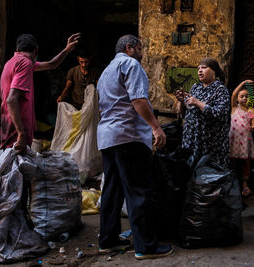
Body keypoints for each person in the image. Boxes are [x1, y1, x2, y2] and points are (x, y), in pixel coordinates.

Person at [97, 35, 173, 260]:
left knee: (112, 190)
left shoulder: (106, 71)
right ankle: (146, 246)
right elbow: (138, 100)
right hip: (128, 136)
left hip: (108, 137)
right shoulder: (131, 64)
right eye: (140, 48)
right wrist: (156, 128)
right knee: (139, 190)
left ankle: (107, 240)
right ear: (130, 47)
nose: (142, 53)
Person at [0, 33, 81, 152]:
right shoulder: (25, 64)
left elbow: (51, 64)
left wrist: (66, 50)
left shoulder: (12, 62)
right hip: (16, 132)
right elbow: (11, 100)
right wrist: (21, 133)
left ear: (17, 49)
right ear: (36, 51)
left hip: (9, 126)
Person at [174, 57, 231, 168]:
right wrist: (181, 101)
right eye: (198, 68)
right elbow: (184, 113)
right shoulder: (195, 87)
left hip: (210, 142)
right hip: (191, 139)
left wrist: (198, 103)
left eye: (204, 67)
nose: (200, 70)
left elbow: (218, 113)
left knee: (207, 174)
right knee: (188, 169)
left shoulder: (220, 90)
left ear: (214, 71)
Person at [229, 80, 254, 197]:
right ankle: (232, 184)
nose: (244, 98)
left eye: (247, 96)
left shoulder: (251, 110)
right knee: (232, 162)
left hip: (245, 141)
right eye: (242, 96)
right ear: (237, 99)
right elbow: (233, 94)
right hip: (233, 140)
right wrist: (243, 83)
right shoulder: (234, 108)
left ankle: (245, 186)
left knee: (245, 163)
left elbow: (252, 124)